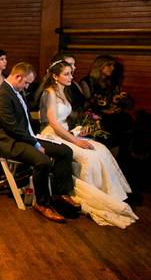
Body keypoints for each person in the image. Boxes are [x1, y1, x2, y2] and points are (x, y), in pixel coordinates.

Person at [35, 61, 138, 227]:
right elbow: (54, 123)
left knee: (101, 150)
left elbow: (66, 118)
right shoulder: (50, 93)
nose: (71, 77)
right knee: (88, 157)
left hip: (66, 132)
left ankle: (109, 193)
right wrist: (75, 140)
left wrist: (79, 128)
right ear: (55, 76)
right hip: (52, 135)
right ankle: (75, 195)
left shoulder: (63, 91)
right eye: (67, 74)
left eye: (71, 73)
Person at [0, 63, 79, 223]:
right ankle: (42, 204)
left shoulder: (15, 90)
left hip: (26, 137)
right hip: (11, 143)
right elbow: (13, 129)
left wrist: (39, 138)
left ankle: (60, 193)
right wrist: (37, 144)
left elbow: (25, 121)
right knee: (42, 160)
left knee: (65, 151)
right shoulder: (1, 95)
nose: (27, 86)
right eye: (26, 82)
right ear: (18, 76)